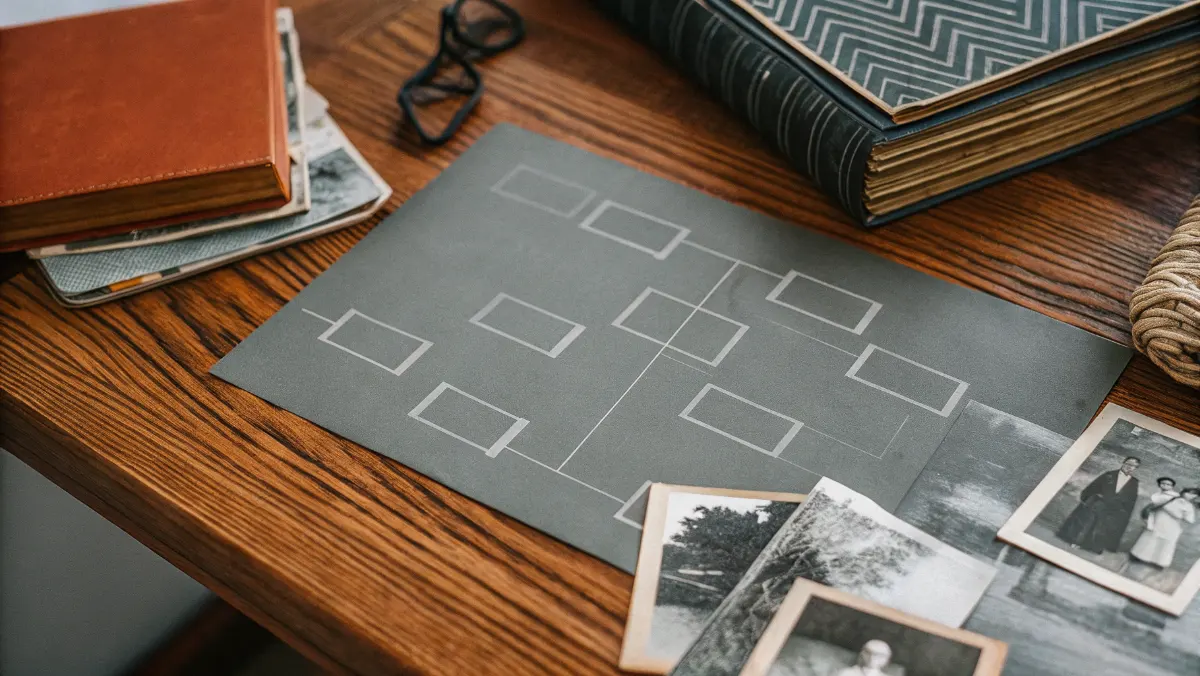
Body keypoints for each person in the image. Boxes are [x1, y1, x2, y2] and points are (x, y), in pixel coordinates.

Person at [1056, 456, 1141, 554]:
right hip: (1098, 504)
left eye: (1133, 466)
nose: (1129, 467)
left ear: (1136, 468)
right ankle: (1075, 541)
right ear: (1123, 463)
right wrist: (1088, 501)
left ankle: (1092, 547)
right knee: (1086, 523)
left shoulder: (1134, 482)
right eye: (1128, 464)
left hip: (1113, 509)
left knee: (1102, 527)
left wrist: (1123, 511)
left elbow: (1131, 499)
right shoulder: (1108, 475)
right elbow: (1091, 488)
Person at [1128, 481, 1196, 569]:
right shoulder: (1171, 498)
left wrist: (1180, 514)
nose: (1190, 496)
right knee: (1150, 540)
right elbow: (1157, 504)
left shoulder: (1189, 506)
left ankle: (1158, 563)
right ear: (1184, 492)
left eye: (1194, 495)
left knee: (1165, 545)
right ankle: (1138, 557)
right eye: (1189, 493)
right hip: (1159, 522)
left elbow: (1190, 520)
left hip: (1173, 527)